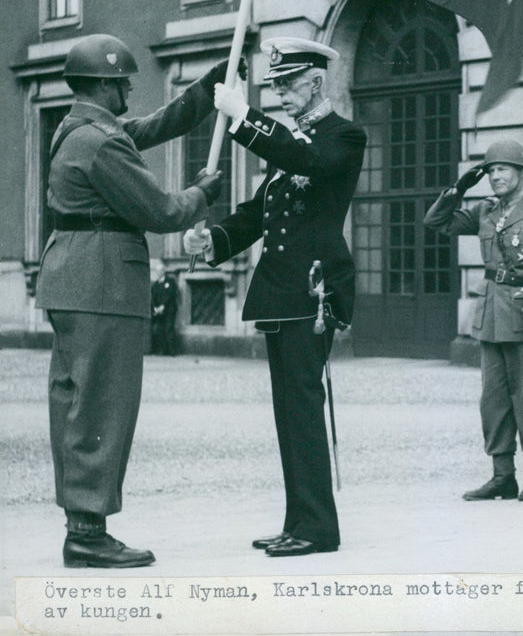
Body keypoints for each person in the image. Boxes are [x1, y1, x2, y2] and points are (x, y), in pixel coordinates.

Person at [36, 34, 224, 568]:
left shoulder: (78, 129)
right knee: (102, 404)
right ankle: (88, 533)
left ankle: (83, 525)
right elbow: (161, 212)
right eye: (121, 82)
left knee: (78, 402)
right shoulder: (100, 142)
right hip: (102, 283)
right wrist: (201, 193)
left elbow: (149, 127)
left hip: (75, 277)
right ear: (101, 83)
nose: (128, 89)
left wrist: (209, 89)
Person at [183, 37, 366, 557]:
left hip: (313, 290)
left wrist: (244, 117)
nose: (283, 93)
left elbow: (305, 160)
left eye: (289, 84)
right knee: (289, 411)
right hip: (282, 292)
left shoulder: (343, 137)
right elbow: (255, 215)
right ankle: (298, 521)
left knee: (303, 407)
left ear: (317, 81)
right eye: (276, 86)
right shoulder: (292, 142)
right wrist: (213, 239)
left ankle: (319, 529)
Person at [424, 139, 523, 502]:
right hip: (493, 313)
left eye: (503, 169)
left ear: (521, 172)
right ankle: (502, 476)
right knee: (492, 399)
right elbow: (435, 222)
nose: (496, 176)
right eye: (491, 170)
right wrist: (458, 188)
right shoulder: (485, 212)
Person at [150, 258, 180, 356]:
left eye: (160, 271)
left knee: (169, 328)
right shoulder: (155, 285)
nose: (159, 273)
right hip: (159, 311)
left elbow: (170, 294)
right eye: (157, 271)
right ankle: (164, 351)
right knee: (160, 330)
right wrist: (155, 307)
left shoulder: (170, 281)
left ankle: (172, 351)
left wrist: (163, 306)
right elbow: (153, 297)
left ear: (163, 271)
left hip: (169, 309)